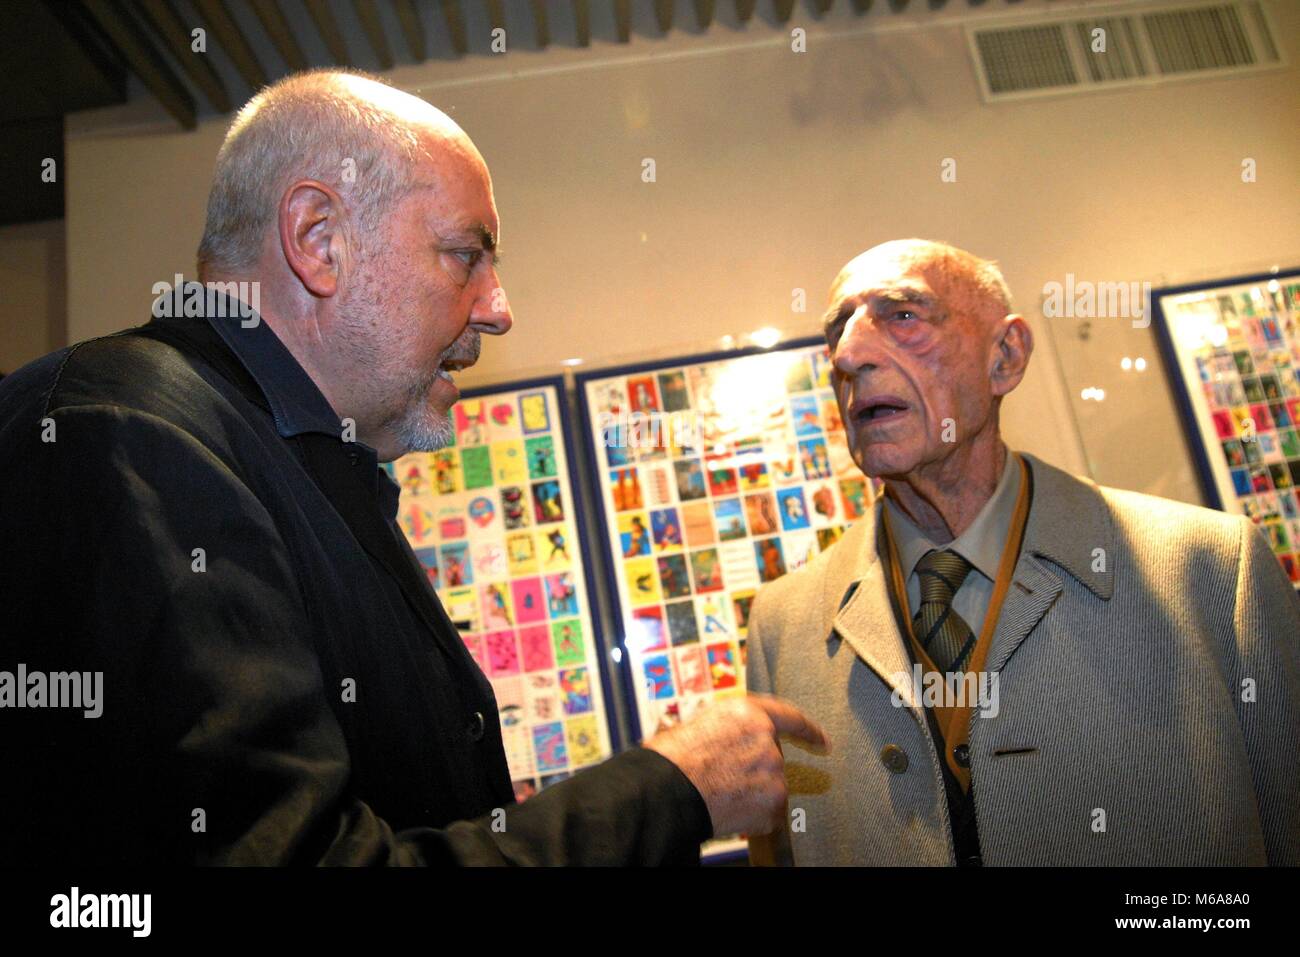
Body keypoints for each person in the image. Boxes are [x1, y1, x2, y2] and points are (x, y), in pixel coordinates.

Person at [0, 69, 826, 866]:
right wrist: (668, 791)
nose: (500, 309)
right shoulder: (124, 435)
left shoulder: (299, 463)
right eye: (467, 254)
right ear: (318, 241)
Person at [746, 239, 1300, 866]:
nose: (848, 354)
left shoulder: (1215, 571)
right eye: (839, 329)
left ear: (1004, 357)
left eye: (903, 315)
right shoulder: (781, 626)